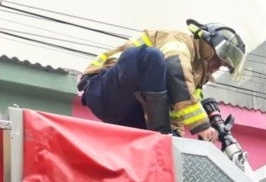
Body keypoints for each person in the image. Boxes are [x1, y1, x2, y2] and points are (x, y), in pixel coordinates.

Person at [77, 19, 245, 139]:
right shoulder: (178, 40)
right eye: (218, 60)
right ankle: (162, 135)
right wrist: (202, 125)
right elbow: (176, 71)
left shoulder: (197, 77)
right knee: (150, 56)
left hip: (133, 112)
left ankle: (162, 138)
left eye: (223, 65)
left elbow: (180, 109)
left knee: (172, 135)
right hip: (103, 90)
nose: (218, 66)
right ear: (207, 41)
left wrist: (177, 139)